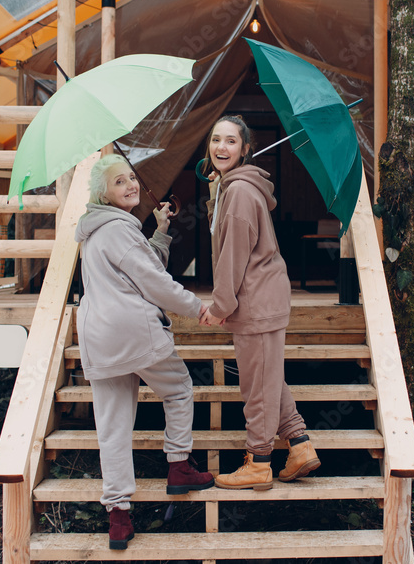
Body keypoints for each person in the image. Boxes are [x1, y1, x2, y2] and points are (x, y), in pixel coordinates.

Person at [76, 153, 214, 550]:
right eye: (119, 182)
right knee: (179, 389)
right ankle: (179, 467)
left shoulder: (98, 229)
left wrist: (162, 229)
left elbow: (140, 264)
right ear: (104, 193)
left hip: (100, 337)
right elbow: (153, 281)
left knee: (113, 427)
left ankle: (118, 515)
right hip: (134, 332)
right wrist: (196, 307)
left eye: (131, 178)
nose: (131, 185)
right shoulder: (119, 229)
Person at [198, 115, 320, 490]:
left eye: (231, 141)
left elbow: (233, 255)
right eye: (216, 140)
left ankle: (259, 460)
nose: (221, 147)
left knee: (256, 387)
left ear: (245, 149)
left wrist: (219, 307)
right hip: (262, 299)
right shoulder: (233, 188)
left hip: (254, 301)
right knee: (268, 379)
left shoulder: (238, 192)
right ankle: (299, 445)